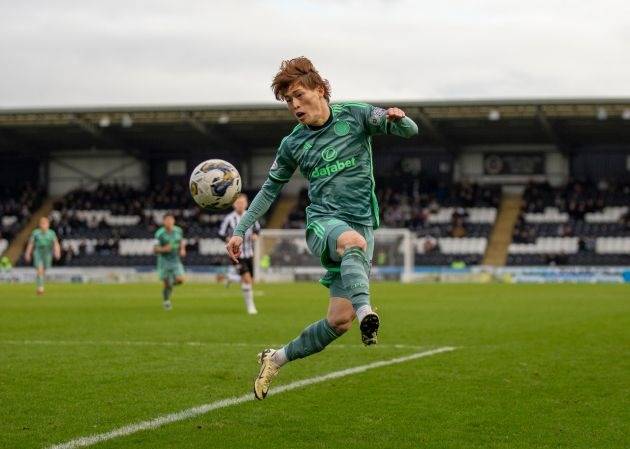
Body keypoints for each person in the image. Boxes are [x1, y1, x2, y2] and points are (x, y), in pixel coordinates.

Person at [225, 57, 419, 400]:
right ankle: (368, 315)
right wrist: (241, 229)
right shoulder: (292, 144)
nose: (295, 105)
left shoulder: (356, 115)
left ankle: (276, 358)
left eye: (299, 96)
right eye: (288, 101)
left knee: (337, 321)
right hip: (323, 224)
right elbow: (270, 190)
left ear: (320, 90)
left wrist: (398, 119)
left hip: (362, 224)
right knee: (351, 242)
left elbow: (410, 132)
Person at [219, 193, 260, 315]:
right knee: (247, 279)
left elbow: (257, 229)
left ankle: (231, 278)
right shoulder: (229, 219)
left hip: (249, 253)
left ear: (246, 203)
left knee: (250, 281)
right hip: (237, 255)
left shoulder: (251, 216)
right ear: (234, 204)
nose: (240, 205)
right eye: (238, 203)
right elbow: (221, 233)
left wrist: (255, 235)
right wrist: (228, 239)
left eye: (242, 202)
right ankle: (250, 307)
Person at [153, 213, 186, 310]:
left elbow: (181, 242)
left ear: (173, 221)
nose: (169, 222)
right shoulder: (159, 234)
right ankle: (166, 301)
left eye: (171, 220)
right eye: (167, 220)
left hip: (175, 259)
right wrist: (164, 249)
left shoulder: (178, 231)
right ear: (164, 222)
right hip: (164, 261)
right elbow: (155, 249)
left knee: (181, 280)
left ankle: (170, 284)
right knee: (166, 284)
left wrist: (182, 249)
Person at [24, 216, 61, 295]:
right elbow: (31, 244)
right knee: (40, 270)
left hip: (47, 253)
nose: (43, 225)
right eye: (42, 223)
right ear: (40, 225)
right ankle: (40, 289)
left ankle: (40, 284)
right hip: (38, 252)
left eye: (45, 223)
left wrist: (57, 252)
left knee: (43, 271)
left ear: (48, 224)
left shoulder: (51, 233)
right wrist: (27, 253)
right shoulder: (35, 233)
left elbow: (56, 243)